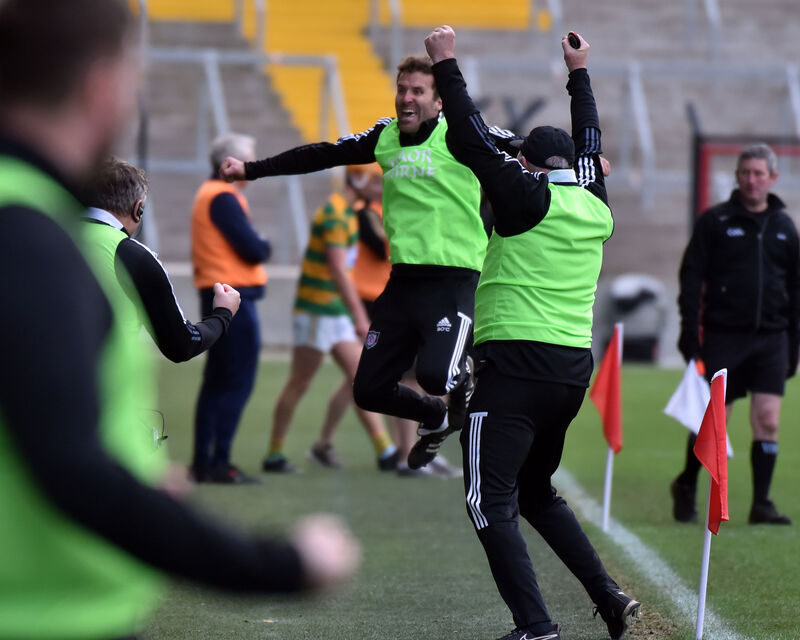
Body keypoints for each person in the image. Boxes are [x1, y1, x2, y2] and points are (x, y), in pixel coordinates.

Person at [0, 2, 359, 638]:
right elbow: (73, 470)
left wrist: (136, 468)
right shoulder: (30, 234)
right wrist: (282, 564)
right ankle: (217, 459)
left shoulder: (39, 220)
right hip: (50, 616)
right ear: (102, 87)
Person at [423, 26, 640, 640]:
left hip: (515, 368)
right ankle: (609, 597)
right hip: (570, 371)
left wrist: (447, 64)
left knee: (487, 499)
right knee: (535, 492)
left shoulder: (523, 196)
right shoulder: (596, 204)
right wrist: (580, 72)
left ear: (525, 164)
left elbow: (465, 134)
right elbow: (592, 138)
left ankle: (537, 627)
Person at [219, 55, 522, 472]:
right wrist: (252, 169)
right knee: (368, 391)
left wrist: (584, 165)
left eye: (418, 91)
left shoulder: (462, 134)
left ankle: (465, 376)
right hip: (401, 284)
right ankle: (434, 416)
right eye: (402, 89)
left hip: (452, 280)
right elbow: (322, 154)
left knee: (436, 376)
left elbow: (523, 143)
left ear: (439, 102)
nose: (406, 99)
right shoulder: (385, 136)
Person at [673, 143, 798, 525]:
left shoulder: (784, 227)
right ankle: (688, 483)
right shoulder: (715, 221)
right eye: (745, 173)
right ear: (737, 176)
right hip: (724, 335)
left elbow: (795, 287)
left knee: (768, 419)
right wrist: (688, 330)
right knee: (714, 421)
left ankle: (761, 503)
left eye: (759, 173)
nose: (751, 180)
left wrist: (794, 341)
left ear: (772, 178)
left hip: (772, 338)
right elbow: (691, 277)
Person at [262, 163, 399, 472]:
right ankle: (274, 454)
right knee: (300, 382)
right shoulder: (336, 213)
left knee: (360, 377)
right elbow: (339, 270)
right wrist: (360, 317)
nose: (380, 186)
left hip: (333, 310)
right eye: (376, 180)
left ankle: (386, 450)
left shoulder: (349, 212)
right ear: (358, 177)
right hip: (316, 310)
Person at [349, 168, 462, 478]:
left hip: (403, 295)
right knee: (387, 380)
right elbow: (378, 246)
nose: (379, 185)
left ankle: (416, 444)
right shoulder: (364, 212)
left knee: (420, 376)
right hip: (382, 298)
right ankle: (401, 451)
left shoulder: (389, 210)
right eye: (373, 180)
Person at [84, 157, 241, 362]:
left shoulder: (47, 232)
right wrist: (222, 314)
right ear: (138, 210)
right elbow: (181, 345)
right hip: (101, 388)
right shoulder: (132, 256)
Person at [190, 133, 272, 484]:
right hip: (232, 298)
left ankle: (204, 462)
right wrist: (264, 244)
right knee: (235, 381)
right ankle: (218, 461)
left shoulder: (210, 194)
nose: (250, 167)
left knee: (217, 382)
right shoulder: (223, 197)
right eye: (248, 160)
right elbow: (254, 249)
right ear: (230, 164)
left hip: (216, 292)